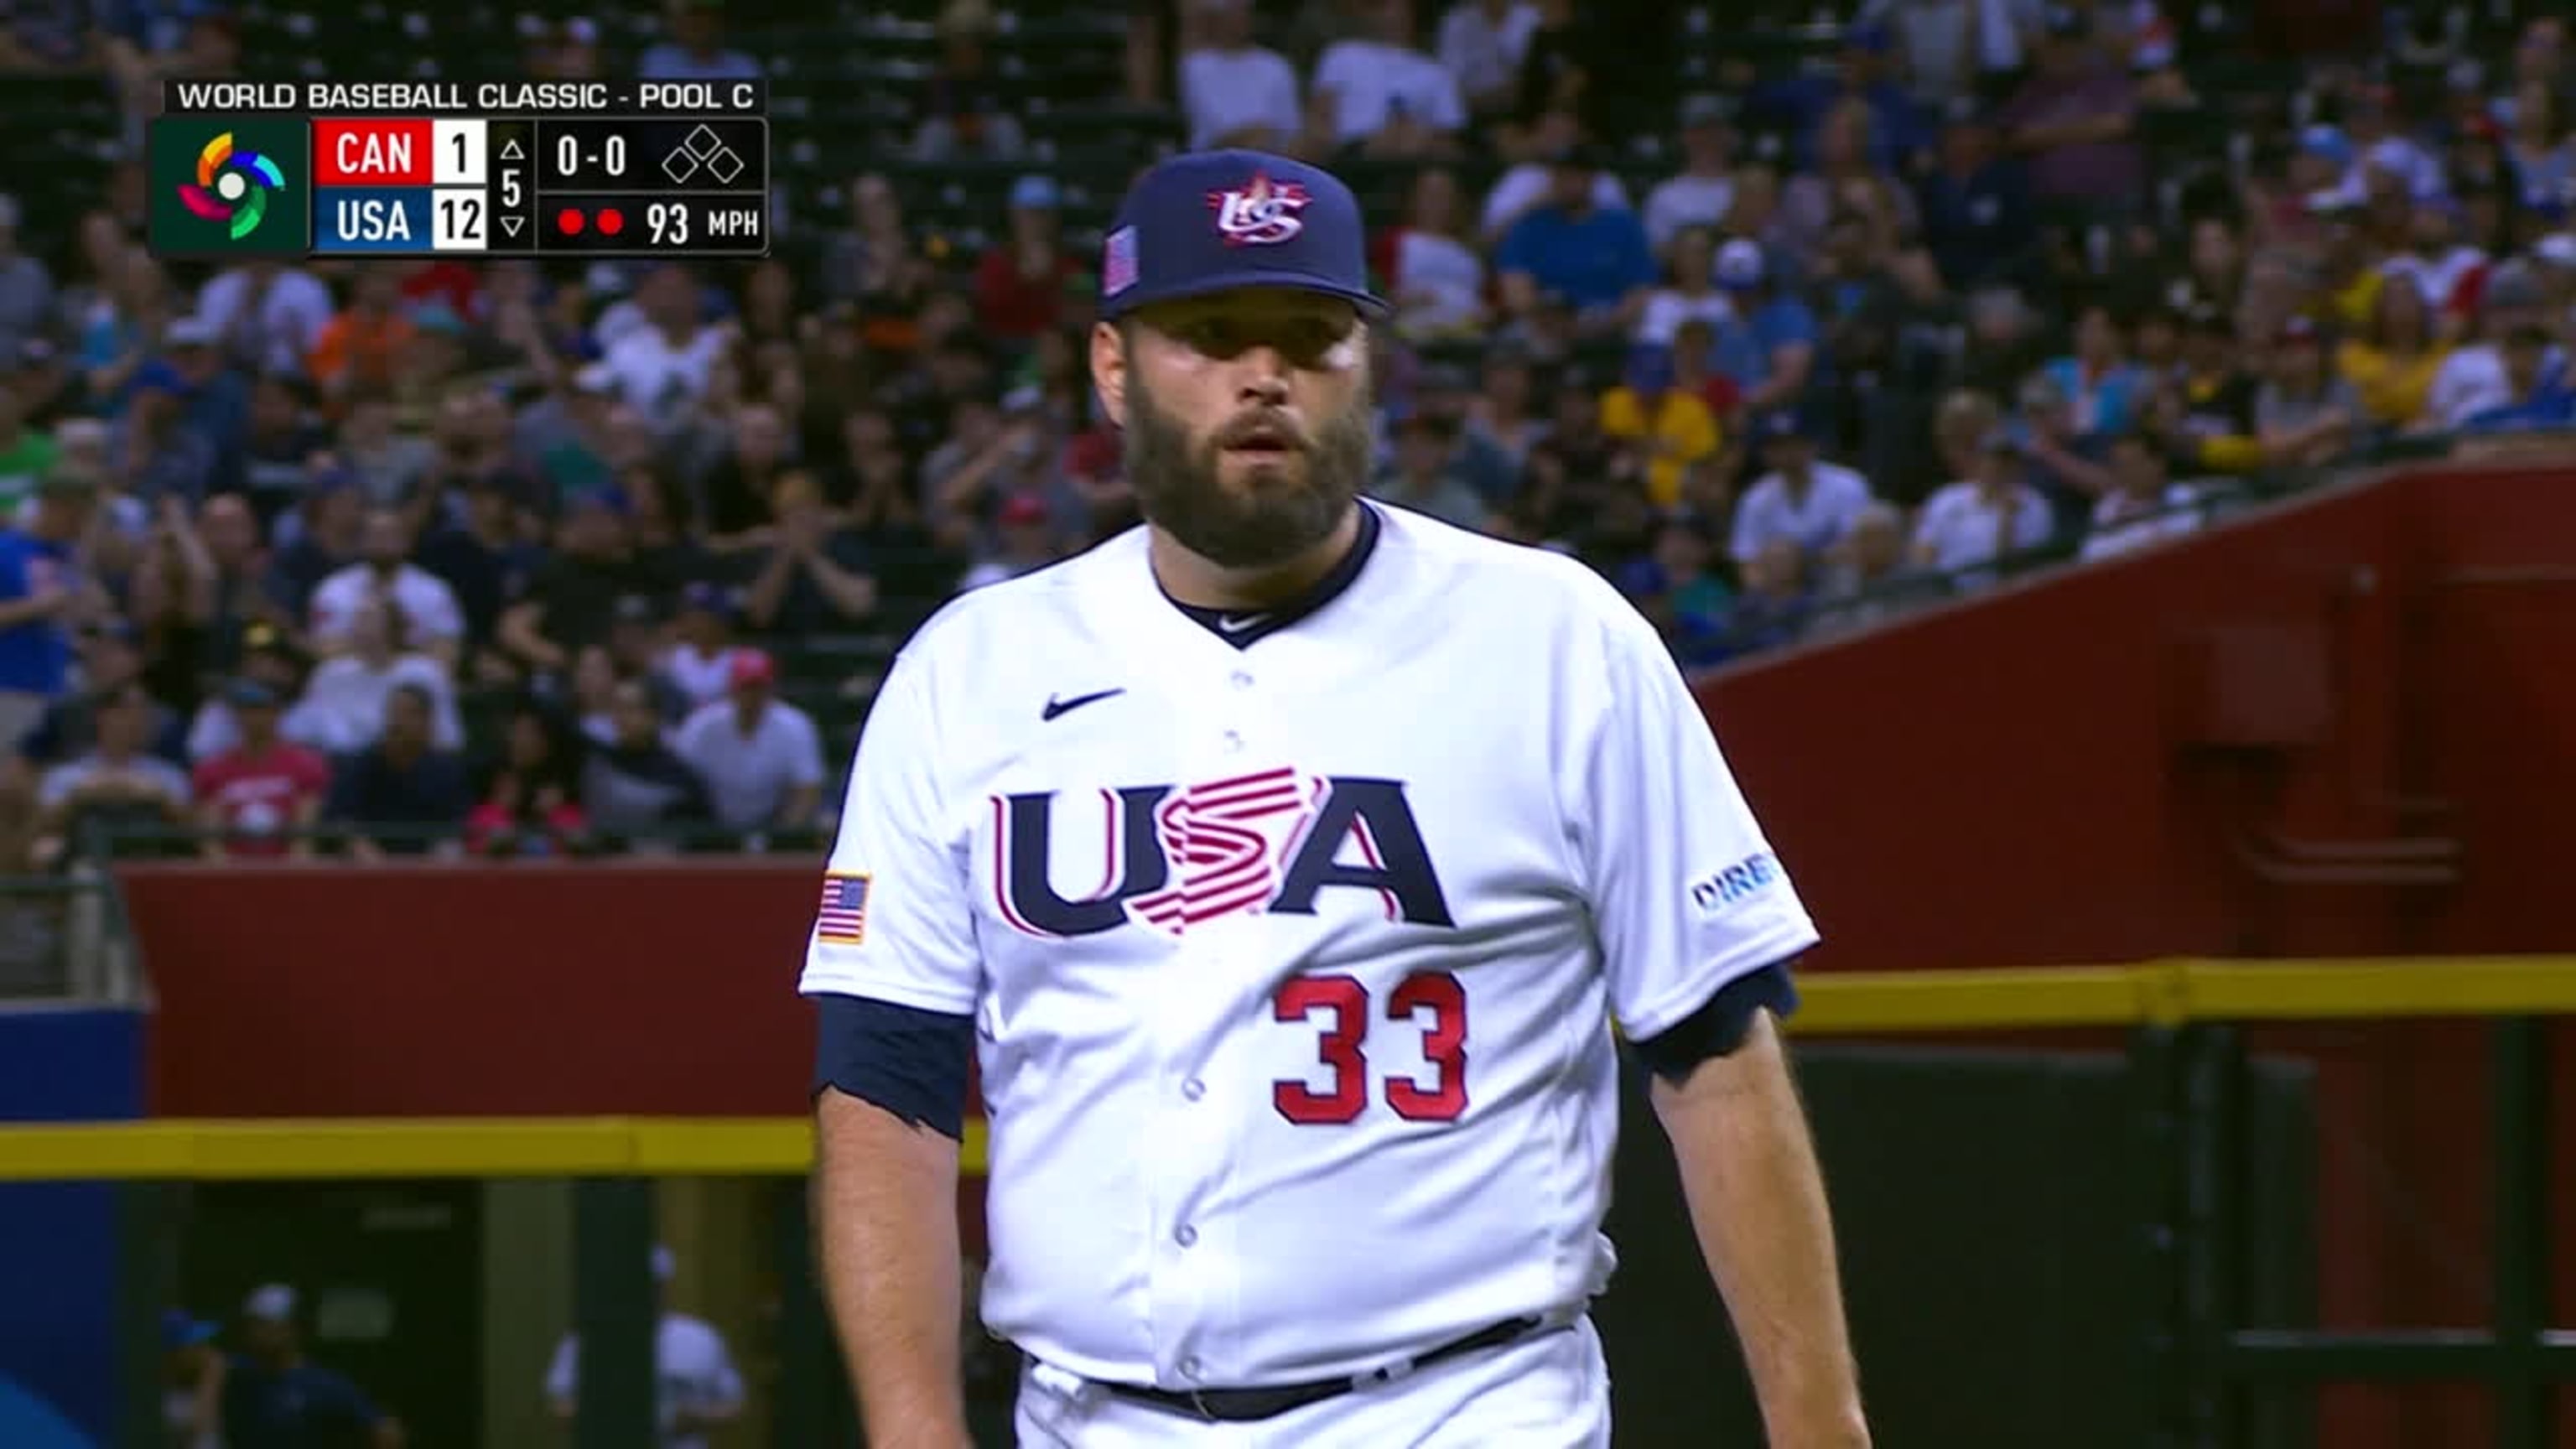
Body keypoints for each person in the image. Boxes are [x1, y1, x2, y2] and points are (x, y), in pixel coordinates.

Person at [802, 150, 1867, 1448]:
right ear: (1113, 365)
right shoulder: (971, 672)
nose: (1266, 375)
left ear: (1367, 363)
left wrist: (1820, 1427)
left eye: (1311, 338)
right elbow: (885, 1084)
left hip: (1463, 1406)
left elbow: (1714, 1053)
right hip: (1091, 1420)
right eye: (1210, 336)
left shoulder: (1554, 640)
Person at [543, 1245, 745, 1449]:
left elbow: (734, 1407)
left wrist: (697, 1419)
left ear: (663, 1285)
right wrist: (613, 1418)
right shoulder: (588, 1340)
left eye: (651, 1284)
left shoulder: (700, 1338)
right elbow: (560, 1408)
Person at [221, 1285, 402, 1448]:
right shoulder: (240, 1376)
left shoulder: (321, 1384)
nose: (255, 1333)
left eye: (263, 1324)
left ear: (291, 1328)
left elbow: (385, 1430)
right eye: (251, 1325)